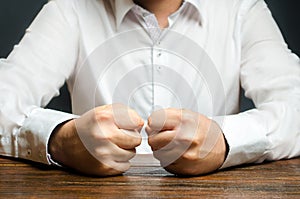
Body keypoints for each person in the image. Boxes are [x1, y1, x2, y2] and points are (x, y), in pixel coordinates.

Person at [0, 0, 299, 177]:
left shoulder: (241, 9)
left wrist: (224, 142)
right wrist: (61, 140)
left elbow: (295, 103)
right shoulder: (70, 9)